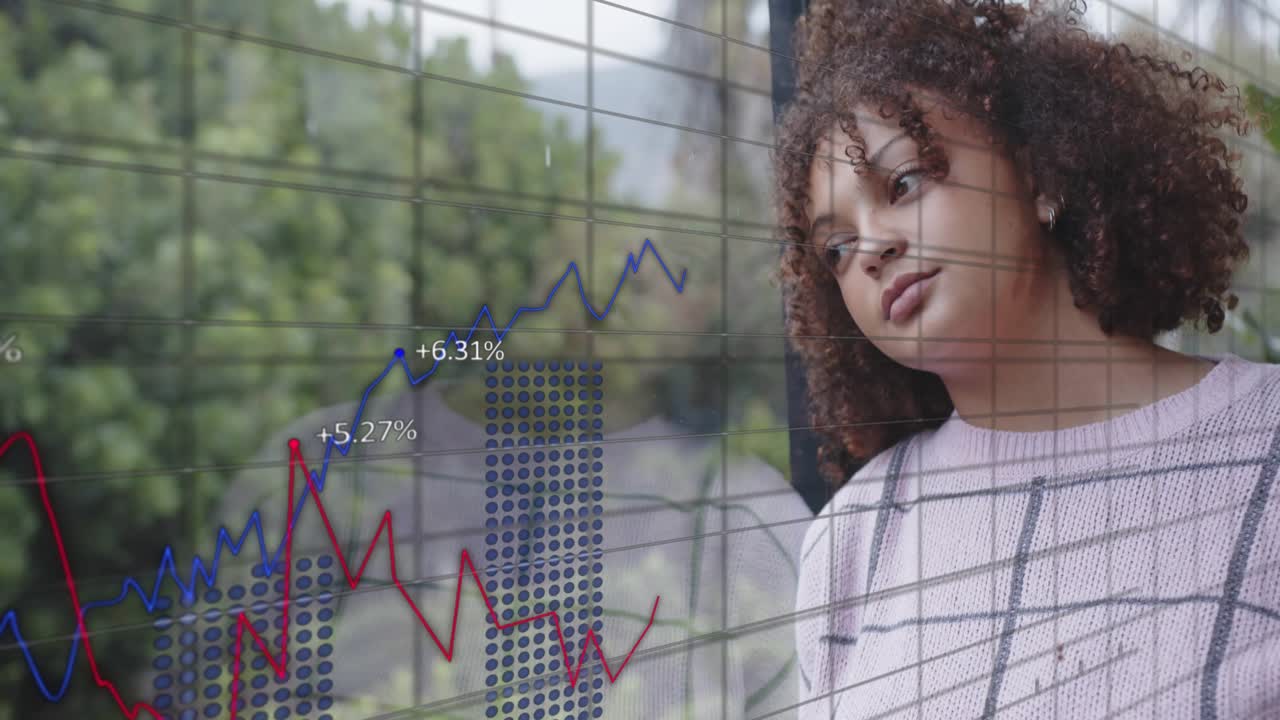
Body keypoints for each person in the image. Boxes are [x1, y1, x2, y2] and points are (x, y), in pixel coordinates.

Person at [773, 1, 1280, 718]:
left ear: (1041, 176)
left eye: (905, 183)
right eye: (836, 248)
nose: (873, 248)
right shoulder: (857, 533)